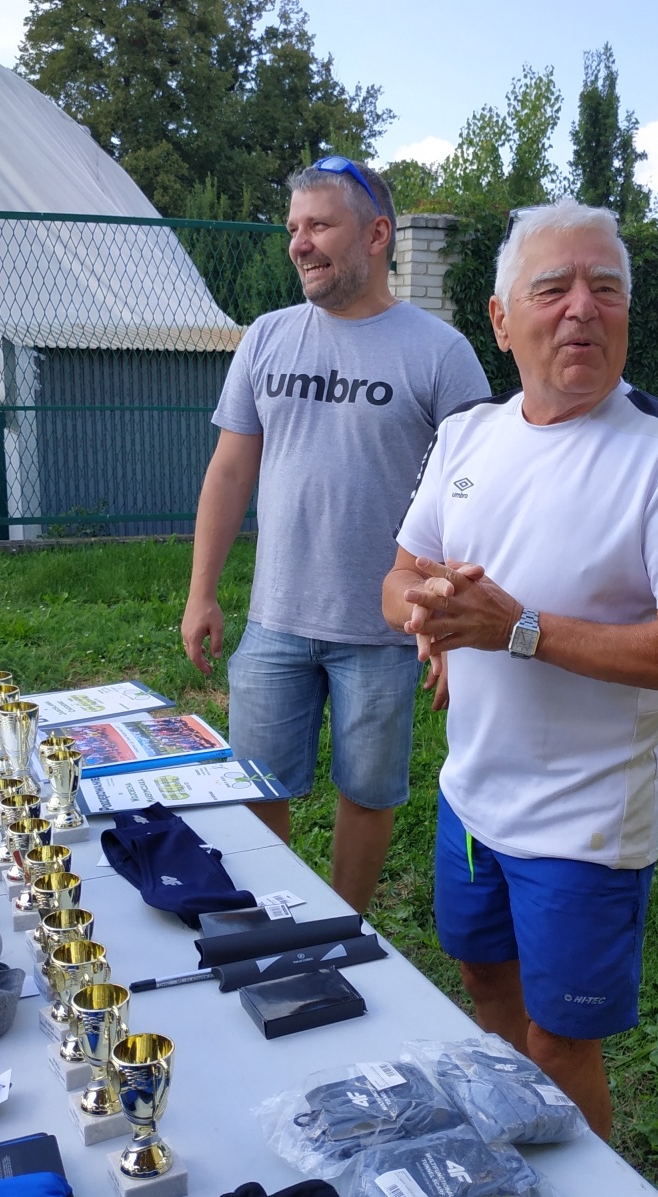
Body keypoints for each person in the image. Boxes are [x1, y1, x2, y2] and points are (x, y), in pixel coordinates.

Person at [382, 198, 658, 1139]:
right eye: (553, 289)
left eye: (606, 288)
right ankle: (518, 1149)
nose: (583, 308)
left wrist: (518, 629)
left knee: (558, 1042)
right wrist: (427, 614)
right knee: (484, 986)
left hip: (585, 822)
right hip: (472, 796)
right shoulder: (468, 434)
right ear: (503, 323)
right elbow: (400, 575)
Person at [183, 157, 490, 914]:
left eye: (319, 225)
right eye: (293, 228)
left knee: (369, 791)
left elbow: (479, 495)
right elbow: (229, 473)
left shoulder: (439, 352)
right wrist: (202, 593)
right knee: (259, 784)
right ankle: (273, 917)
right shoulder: (267, 338)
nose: (300, 243)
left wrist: (452, 626)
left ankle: (344, 930)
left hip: (386, 629)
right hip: (276, 619)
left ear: (378, 234)